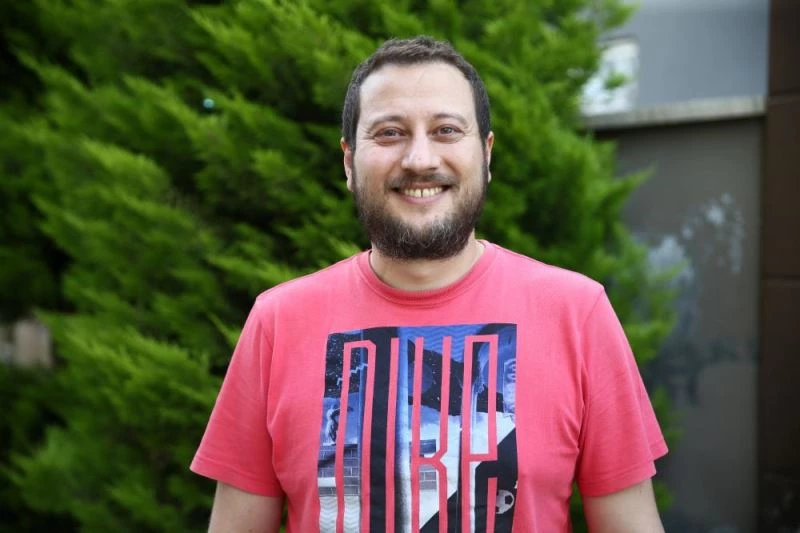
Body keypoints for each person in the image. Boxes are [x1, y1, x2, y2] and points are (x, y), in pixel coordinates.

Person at [191, 35, 668, 533]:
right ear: (349, 162)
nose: (420, 158)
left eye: (446, 130)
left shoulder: (577, 313)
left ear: (486, 154)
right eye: (389, 133)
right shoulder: (278, 322)